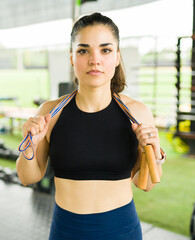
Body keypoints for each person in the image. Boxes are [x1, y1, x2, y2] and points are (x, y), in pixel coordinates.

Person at [16, 12, 165, 240]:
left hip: (121, 231)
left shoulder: (137, 113)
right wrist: (30, 145)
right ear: (71, 57)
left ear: (116, 57)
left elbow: (144, 184)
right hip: (66, 231)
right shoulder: (50, 113)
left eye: (105, 50)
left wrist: (152, 152)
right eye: (83, 50)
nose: (95, 59)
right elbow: (28, 177)